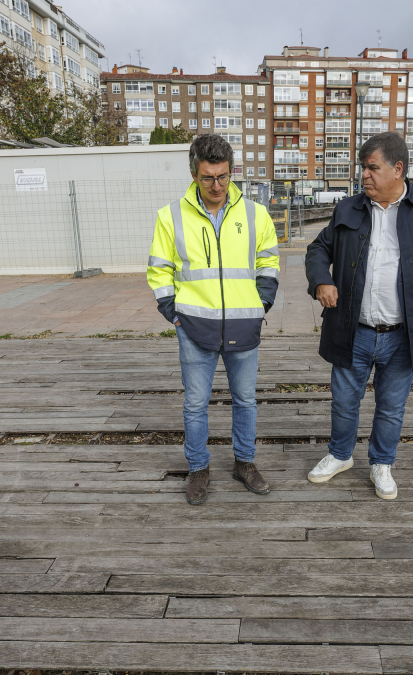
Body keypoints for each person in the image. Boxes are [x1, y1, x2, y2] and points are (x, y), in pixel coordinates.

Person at [304, 132, 413, 499]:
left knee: (392, 406)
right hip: (353, 328)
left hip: (403, 333)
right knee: (344, 401)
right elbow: (318, 248)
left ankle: (382, 463)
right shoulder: (348, 208)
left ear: (398, 169)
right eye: (362, 167)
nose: (364, 175)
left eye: (371, 168)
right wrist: (321, 281)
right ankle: (339, 454)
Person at [147, 134, 281, 505]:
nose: (217, 186)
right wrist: (173, 313)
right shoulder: (170, 216)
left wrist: (262, 304)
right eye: (208, 178)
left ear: (232, 171)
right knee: (194, 404)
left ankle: (245, 463)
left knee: (246, 400)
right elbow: (159, 271)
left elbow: (268, 261)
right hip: (193, 328)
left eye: (224, 176)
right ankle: (198, 468)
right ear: (193, 174)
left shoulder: (255, 214)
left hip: (244, 325)